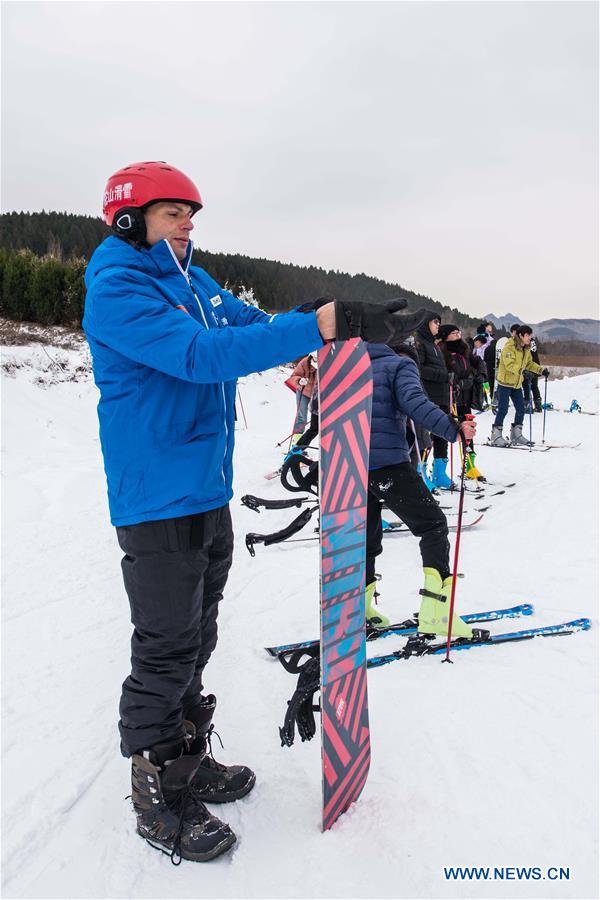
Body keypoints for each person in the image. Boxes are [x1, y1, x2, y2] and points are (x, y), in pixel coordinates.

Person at [83, 160, 425, 863]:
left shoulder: (189, 278)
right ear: (128, 216)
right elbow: (203, 355)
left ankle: (185, 754)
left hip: (204, 489)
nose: (188, 223)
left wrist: (316, 333)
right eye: (173, 211)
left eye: (192, 212)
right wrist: (316, 326)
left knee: (198, 637)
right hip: (154, 495)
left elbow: (252, 324)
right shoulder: (119, 287)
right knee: (165, 646)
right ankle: (158, 791)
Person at [364, 338, 478, 638]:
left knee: (366, 536)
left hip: (348, 467)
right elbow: (416, 403)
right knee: (433, 525)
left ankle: (358, 610)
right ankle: (437, 614)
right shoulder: (400, 365)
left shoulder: (349, 365)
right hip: (387, 462)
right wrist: (454, 429)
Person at [438, 325, 488, 480]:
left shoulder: (464, 349)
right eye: (453, 333)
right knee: (443, 433)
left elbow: (478, 362)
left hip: (465, 397)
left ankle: (469, 466)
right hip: (450, 398)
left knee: (468, 430)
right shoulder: (441, 351)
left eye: (458, 332)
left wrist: (481, 374)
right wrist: (460, 382)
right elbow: (444, 374)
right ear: (445, 336)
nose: (457, 335)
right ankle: (439, 469)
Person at [490, 325, 550, 447]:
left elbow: (529, 363)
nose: (530, 338)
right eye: (528, 336)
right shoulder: (509, 346)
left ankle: (516, 435)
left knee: (521, 409)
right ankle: (496, 436)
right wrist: (522, 371)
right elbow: (509, 364)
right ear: (521, 335)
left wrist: (541, 370)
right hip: (505, 383)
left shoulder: (526, 349)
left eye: (531, 336)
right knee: (503, 409)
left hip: (516, 385)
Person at [414, 311, 454, 489]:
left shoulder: (434, 345)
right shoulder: (420, 344)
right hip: (428, 397)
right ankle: (420, 473)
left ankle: (439, 473)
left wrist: (450, 381)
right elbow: (419, 369)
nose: (438, 325)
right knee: (425, 438)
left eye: (438, 322)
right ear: (424, 324)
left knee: (441, 436)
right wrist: (443, 375)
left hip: (442, 396)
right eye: (434, 322)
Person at [522, 334, 543, 412]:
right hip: (536, 366)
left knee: (526, 386)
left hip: (529, 367)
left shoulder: (526, 342)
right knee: (534, 387)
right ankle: (538, 406)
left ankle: (527, 406)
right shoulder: (532, 341)